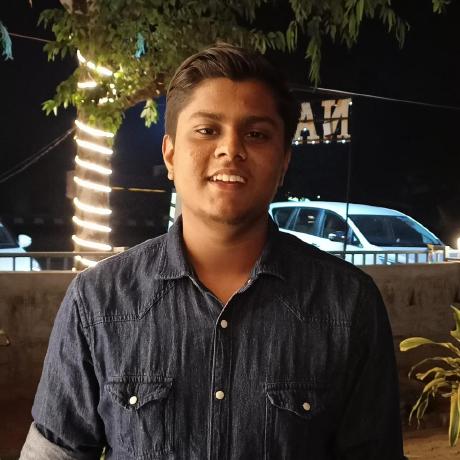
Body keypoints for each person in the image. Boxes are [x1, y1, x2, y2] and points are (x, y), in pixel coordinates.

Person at [20, 43, 404, 459]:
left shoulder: (348, 305)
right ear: (170, 154)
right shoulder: (97, 302)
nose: (231, 149)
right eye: (207, 130)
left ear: (283, 162)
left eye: (256, 134)